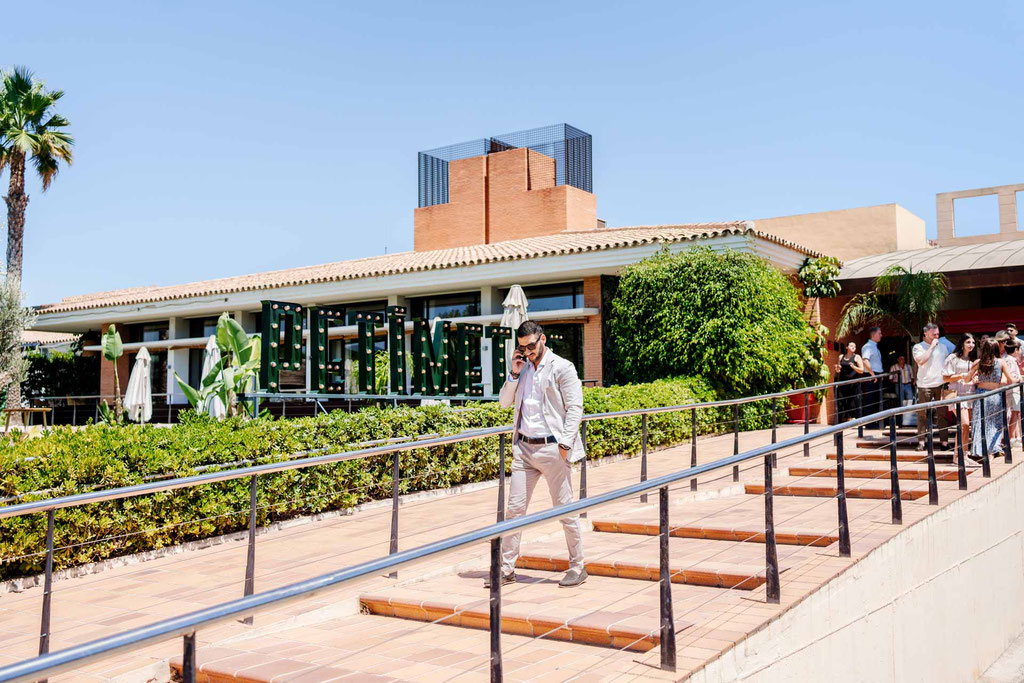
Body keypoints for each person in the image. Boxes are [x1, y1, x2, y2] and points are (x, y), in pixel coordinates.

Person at [491, 320, 587, 588]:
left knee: (565, 509)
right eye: (522, 348)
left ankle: (578, 566)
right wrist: (513, 372)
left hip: (553, 449)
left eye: (531, 346)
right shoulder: (521, 368)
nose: (528, 352)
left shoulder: (562, 367)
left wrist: (565, 445)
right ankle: (506, 569)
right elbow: (504, 402)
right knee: (514, 510)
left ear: (542, 339)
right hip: (523, 450)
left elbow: (575, 408)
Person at [966, 338, 1013, 463]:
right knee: (995, 424)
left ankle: (979, 451)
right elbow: (1011, 380)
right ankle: (993, 448)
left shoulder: (977, 362)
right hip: (995, 396)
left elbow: (966, 379)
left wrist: (975, 377)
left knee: (979, 423)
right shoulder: (1001, 362)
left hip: (981, 396)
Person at [912, 322, 950, 451]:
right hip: (924, 385)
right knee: (922, 414)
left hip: (940, 384)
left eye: (938, 334)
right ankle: (921, 441)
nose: (936, 336)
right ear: (926, 333)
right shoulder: (918, 347)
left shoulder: (943, 347)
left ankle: (944, 442)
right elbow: (921, 361)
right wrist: (932, 347)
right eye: (934, 334)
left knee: (942, 414)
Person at [942, 334, 976, 452]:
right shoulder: (952, 358)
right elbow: (945, 378)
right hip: (956, 394)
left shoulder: (973, 359)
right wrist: (961, 376)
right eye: (968, 342)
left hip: (970, 394)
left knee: (966, 427)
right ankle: (958, 456)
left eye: (973, 342)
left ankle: (963, 454)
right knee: (964, 424)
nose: (971, 345)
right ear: (962, 343)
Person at [834, 342, 865, 421]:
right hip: (842, 384)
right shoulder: (841, 357)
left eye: (855, 346)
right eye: (851, 345)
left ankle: (852, 419)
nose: (853, 347)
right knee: (841, 403)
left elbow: (862, 370)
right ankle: (840, 423)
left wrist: (854, 367)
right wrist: (837, 368)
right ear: (847, 347)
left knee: (852, 404)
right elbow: (838, 371)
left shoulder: (857, 357)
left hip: (853, 385)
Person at [860, 327, 884, 428]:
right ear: (873, 335)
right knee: (870, 399)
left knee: (875, 399)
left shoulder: (875, 347)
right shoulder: (868, 346)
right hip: (871, 375)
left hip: (876, 375)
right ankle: (869, 424)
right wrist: (872, 374)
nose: (881, 335)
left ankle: (874, 422)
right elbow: (865, 360)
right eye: (879, 333)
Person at [1003, 338, 1022, 446]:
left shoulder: (1006, 358)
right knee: (1015, 412)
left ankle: (1014, 437)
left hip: (1011, 389)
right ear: (1016, 349)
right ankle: (1011, 438)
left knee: (1014, 412)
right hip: (1012, 389)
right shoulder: (1010, 360)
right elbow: (1009, 375)